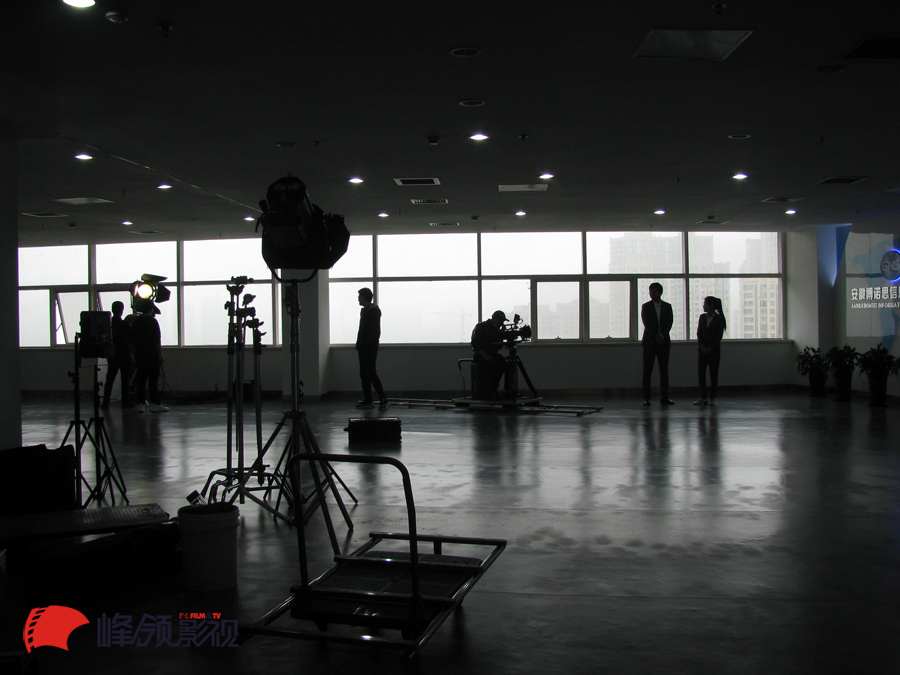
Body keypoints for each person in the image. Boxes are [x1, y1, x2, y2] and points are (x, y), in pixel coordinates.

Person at [130, 299, 168, 413]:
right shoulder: (153, 322)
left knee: (141, 380)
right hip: (152, 354)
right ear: (151, 309)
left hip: (140, 354)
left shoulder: (136, 322)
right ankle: (155, 404)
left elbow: (132, 340)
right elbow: (156, 340)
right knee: (153, 380)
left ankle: (140, 404)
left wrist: (135, 354)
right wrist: (160, 355)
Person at [641, 282, 674, 406]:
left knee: (664, 371)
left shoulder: (667, 306)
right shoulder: (646, 306)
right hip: (650, 343)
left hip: (663, 343)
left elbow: (669, 322)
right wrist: (656, 335)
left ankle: (665, 396)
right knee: (647, 371)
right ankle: (646, 397)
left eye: (654, 292)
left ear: (660, 292)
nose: (652, 294)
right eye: (650, 292)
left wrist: (662, 335)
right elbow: (646, 323)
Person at [355, 287, 388, 409]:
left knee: (371, 373)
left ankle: (383, 398)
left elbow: (372, 332)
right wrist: (359, 344)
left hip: (369, 347)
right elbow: (362, 330)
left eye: (360, 296)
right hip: (363, 346)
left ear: (365, 297)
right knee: (364, 374)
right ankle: (368, 400)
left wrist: (365, 344)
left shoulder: (372, 313)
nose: (358, 299)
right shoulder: (365, 311)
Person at [101, 301, 134, 410]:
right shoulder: (125, 324)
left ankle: (106, 401)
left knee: (110, 378)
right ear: (122, 310)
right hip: (124, 354)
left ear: (112, 309)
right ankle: (125, 401)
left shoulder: (108, 324)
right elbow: (131, 338)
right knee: (125, 379)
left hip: (112, 354)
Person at [695, 296, 726, 407]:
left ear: (712, 306)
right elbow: (699, 332)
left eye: (705, 304)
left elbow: (718, 336)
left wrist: (711, 348)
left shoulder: (719, 319)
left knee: (713, 374)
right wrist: (702, 346)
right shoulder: (702, 317)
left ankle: (711, 397)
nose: (704, 306)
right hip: (702, 350)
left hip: (714, 351)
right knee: (701, 374)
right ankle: (702, 397)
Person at [471, 310, 507, 399]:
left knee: (504, 363)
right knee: (493, 365)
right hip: (480, 355)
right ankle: (488, 391)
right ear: (494, 319)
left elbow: (498, 346)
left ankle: (493, 389)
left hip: (491, 354)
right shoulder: (481, 326)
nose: (501, 324)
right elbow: (475, 344)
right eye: (500, 321)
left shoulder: (496, 330)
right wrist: (485, 355)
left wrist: (501, 335)